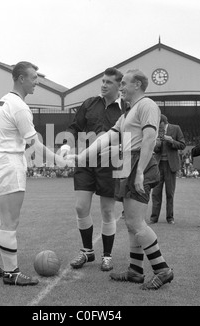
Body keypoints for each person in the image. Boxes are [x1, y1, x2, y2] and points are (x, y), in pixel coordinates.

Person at [68, 69, 174, 290]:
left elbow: (149, 138)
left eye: (124, 83)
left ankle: (162, 269)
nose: (121, 87)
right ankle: (136, 271)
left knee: (136, 222)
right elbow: (107, 137)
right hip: (128, 164)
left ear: (137, 84)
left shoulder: (147, 105)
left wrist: (140, 171)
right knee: (130, 223)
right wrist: (81, 156)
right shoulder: (127, 113)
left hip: (137, 164)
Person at [0, 61, 70, 286]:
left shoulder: (4, 100)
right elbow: (34, 144)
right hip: (9, 163)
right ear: (21, 78)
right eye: (33, 77)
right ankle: (12, 273)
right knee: (11, 221)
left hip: (1, 161)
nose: (36, 81)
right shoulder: (19, 106)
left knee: (5, 217)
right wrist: (57, 159)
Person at [61, 67, 128, 272]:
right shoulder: (89, 103)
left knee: (107, 211)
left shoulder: (126, 108)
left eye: (109, 82)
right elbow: (74, 127)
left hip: (111, 164)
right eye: (103, 81)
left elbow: (132, 137)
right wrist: (66, 144)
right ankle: (87, 251)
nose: (103, 85)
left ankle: (107, 256)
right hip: (85, 162)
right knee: (81, 207)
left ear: (119, 86)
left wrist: (118, 147)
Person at [149, 114, 186, 224]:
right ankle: (154, 218)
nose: (159, 129)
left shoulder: (176, 128)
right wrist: (157, 145)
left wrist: (172, 141)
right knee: (156, 193)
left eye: (160, 126)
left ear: (165, 123)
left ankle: (170, 218)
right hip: (158, 165)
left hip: (170, 166)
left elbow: (183, 145)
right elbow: (154, 149)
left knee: (170, 193)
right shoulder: (155, 130)